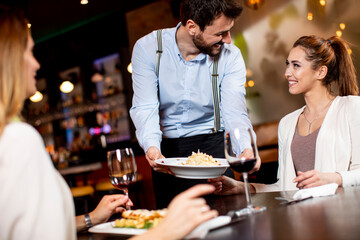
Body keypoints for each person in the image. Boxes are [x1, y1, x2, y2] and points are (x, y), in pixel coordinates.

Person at [0, 7, 218, 240]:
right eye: (29, 52)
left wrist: (91, 218)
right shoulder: (17, 139)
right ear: (8, 59)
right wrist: (165, 231)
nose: (36, 64)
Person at [130, 0, 257, 208]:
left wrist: (244, 148)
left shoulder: (231, 56)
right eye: (220, 33)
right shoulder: (148, 49)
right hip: (168, 156)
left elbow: (234, 110)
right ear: (192, 27)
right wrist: (152, 148)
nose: (227, 40)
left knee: (228, 223)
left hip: (215, 150)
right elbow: (145, 107)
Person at [208, 35, 360, 194]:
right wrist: (240, 187)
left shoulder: (352, 108)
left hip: (341, 213)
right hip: (299, 216)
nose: (287, 73)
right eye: (287, 64)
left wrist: (334, 178)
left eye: (296, 65)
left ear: (320, 72)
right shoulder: (287, 123)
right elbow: (284, 187)